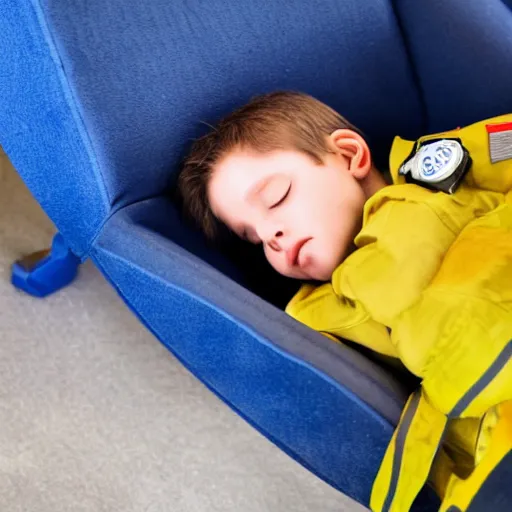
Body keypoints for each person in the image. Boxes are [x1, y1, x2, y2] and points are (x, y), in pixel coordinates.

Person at [178, 91, 512, 511]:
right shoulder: (312, 314)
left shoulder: (445, 163)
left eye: (275, 198)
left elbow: (507, 145)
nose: (271, 236)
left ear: (350, 155)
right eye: (253, 237)